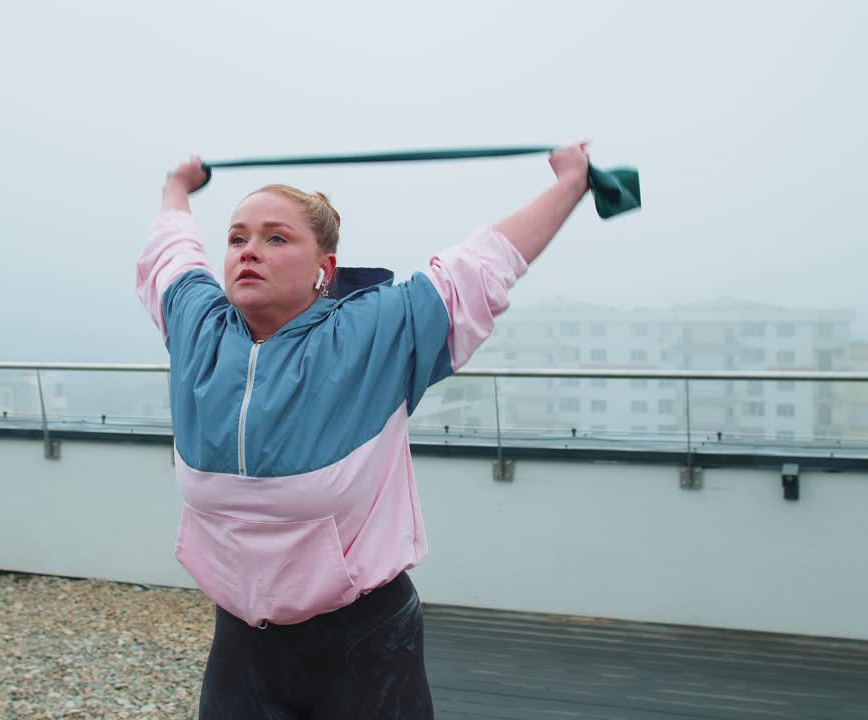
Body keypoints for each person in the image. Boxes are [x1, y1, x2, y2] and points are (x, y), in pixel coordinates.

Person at [135, 143, 592, 719]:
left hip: (363, 646)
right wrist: (178, 185)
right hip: (242, 647)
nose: (250, 251)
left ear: (324, 269)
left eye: (276, 238)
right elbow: (169, 250)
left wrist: (569, 185)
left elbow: (482, 266)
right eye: (237, 238)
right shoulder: (197, 326)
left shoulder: (376, 332)